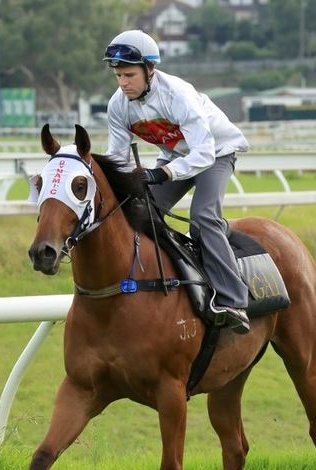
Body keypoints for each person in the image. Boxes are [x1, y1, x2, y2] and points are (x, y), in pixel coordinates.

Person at [103, 29, 251, 334]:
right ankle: (170, 277)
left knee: (203, 217)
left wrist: (160, 173)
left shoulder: (177, 94)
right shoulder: (118, 105)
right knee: (139, 211)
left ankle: (234, 301)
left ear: (150, 70)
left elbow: (203, 153)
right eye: (118, 76)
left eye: (129, 75)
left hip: (216, 153)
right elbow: (117, 158)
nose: (123, 83)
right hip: (175, 156)